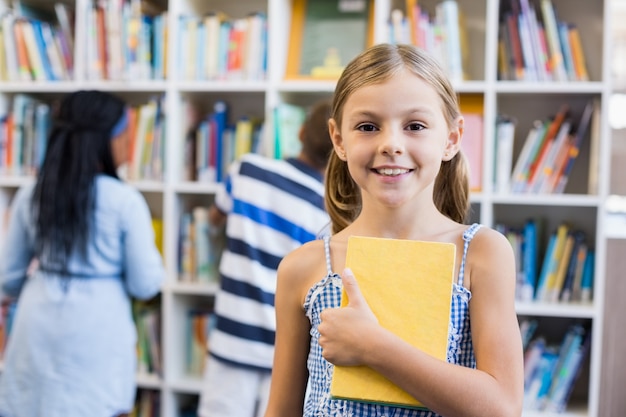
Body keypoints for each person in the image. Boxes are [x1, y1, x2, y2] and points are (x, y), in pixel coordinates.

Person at [264, 43, 524, 417]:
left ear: (451, 138)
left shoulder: (482, 253)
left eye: (415, 126)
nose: (391, 145)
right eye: (368, 127)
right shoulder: (301, 269)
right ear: (338, 139)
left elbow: (502, 408)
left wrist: (373, 346)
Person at [0, 90, 165, 417]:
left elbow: (7, 279)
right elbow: (146, 284)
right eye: (123, 134)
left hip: (35, 326)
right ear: (105, 140)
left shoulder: (32, 193)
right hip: (97, 330)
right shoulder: (124, 201)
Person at [197, 100, 334, 417]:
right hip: (285, 354)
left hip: (232, 341)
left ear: (299, 133)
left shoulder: (246, 170)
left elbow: (214, 220)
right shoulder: (325, 213)